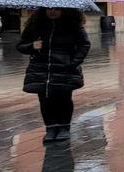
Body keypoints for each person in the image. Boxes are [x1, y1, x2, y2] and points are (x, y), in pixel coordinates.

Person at [16, 8, 91, 143]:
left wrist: (73, 63)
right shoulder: (35, 25)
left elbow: (84, 45)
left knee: (64, 99)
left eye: (56, 9)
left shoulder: (73, 25)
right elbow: (21, 45)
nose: (52, 12)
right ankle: (50, 128)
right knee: (44, 99)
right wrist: (32, 46)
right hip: (40, 68)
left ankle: (64, 127)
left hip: (64, 68)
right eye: (49, 9)